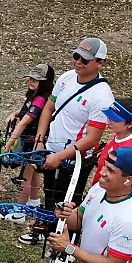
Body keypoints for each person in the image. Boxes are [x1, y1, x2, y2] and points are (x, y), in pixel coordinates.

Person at [19, 38, 115, 248]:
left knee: (68, 200)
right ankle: (47, 229)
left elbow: (92, 138)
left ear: (100, 63)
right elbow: (48, 109)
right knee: (51, 192)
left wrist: (59, 157)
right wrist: (40, 141)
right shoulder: (66, 78)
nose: (78, 62)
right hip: (51, 148)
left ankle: (67, 244)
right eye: (76, 56)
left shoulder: (101, 95)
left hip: (75, 158)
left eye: (85, 60)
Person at [4, 63, 55, 208]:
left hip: (32, 142)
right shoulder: (36, 96)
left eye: (36, 79)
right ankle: (34, 201)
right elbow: (24, 114)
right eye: (31, 78)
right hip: (34, 141)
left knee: (24, 176)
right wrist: (14, 114)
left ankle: (19, 210)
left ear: (45, 83)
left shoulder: (40, 99)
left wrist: (8, 144)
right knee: (33, 172)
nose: (31, 81)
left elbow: (24, 122)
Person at [91, 99, 132, 185]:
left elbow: (117, 180)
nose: (108, 122)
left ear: (130, 124)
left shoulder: (127, 150)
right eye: (109, 117)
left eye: (116, 120)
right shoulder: (120, 134)